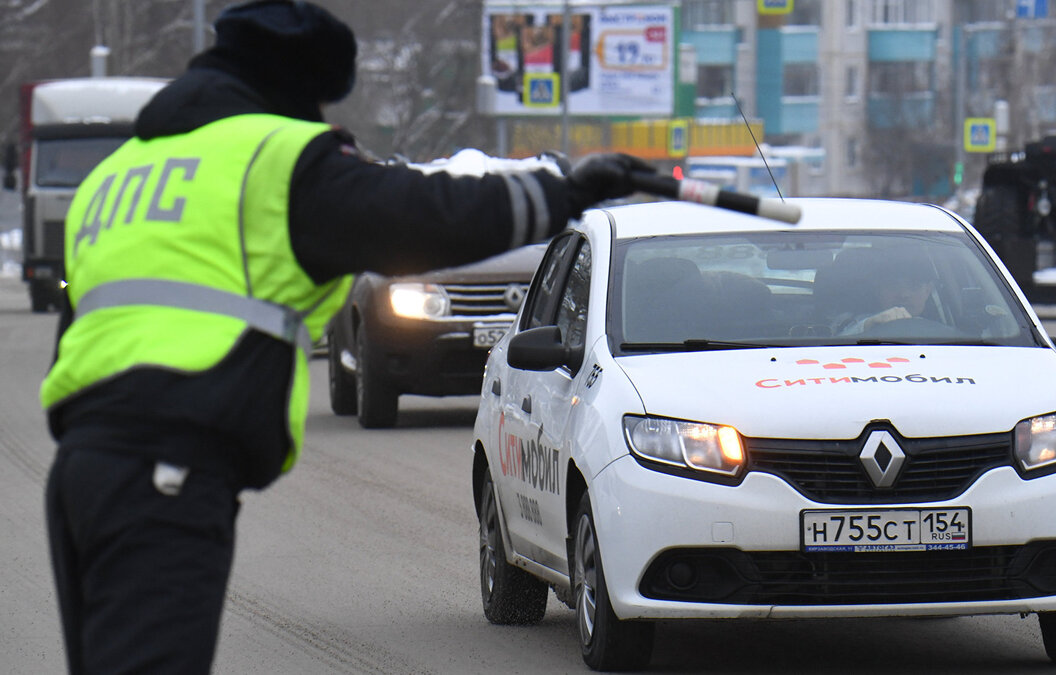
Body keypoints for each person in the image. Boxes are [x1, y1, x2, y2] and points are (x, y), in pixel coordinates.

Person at [40, 1, 654, 672]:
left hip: (81, 472)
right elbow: (427, 216)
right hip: (168, 471)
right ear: (291, 87)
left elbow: (81, 339)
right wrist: (559, 191)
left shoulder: (117, 178)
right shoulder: (273, 161)